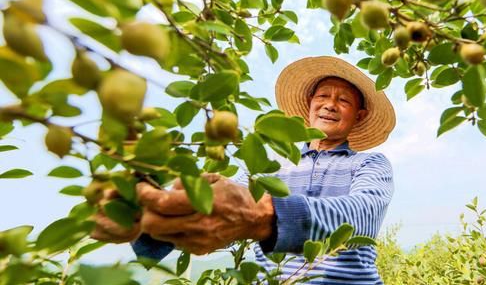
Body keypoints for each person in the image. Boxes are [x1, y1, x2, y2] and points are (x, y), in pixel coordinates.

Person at [91, 56, 396, 284]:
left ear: (359, 115)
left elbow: (361, 214)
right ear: (309, 105)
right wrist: (148, 220)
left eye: (343, 100)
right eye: (323, 97)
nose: (330, 105)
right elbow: (223, 209)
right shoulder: (273, 165)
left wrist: (263, 217)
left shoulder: (369, 164)